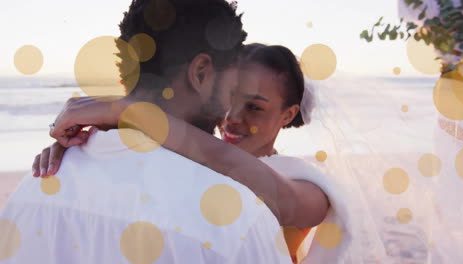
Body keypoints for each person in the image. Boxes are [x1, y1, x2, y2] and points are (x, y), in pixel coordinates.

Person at [0, 0, 293, 263]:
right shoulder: (236, 218)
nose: (231, 104)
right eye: (233, 85)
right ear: (201, 72)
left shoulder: (32, 189)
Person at [34, 44, 354, 263]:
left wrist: (129, 111)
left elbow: (277, 200)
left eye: (254, 106)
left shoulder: (305, 185)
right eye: (227, 96)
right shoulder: (189, 156)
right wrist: (85, 148)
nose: (232, 117)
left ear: (287, 115)